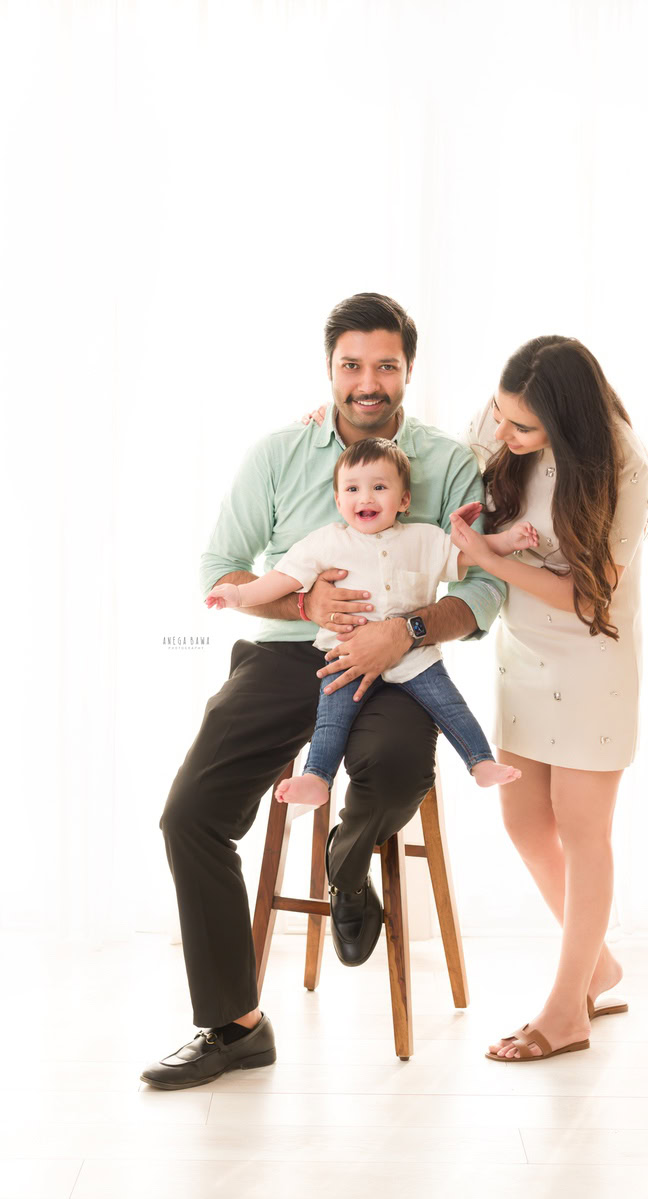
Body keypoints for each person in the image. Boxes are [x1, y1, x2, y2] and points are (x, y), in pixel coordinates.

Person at [139, 293, 507, 1090]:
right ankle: (234, 1025)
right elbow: (221, 572)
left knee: (396, 769)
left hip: (400, 667)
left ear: (410, 369)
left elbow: (482, 592)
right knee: (190, 814)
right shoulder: (278, 453)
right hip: (285, 656)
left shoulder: (445, 464)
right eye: (352, 365)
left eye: (385, 365)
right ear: (330, 369)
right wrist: (303, 604)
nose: (367, 382)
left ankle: (345, 865)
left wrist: (404, 632)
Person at [452, 335, 648, 1062]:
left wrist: (483, 556)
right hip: (523, 653)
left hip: (591, 656)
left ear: (567, 425)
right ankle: (596, 965)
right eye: (501, 418)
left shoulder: (623, 467)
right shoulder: (508, 416)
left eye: (521, 429)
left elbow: (589, 592)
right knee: (522, 819)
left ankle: (568, 1007)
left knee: (581, 828)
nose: (500, 436)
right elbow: (449, 453)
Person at [206, 436, 535, 802]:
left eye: (379, 487)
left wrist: (509, 540)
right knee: (333, 714)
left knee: (450, 704)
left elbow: (474, 554)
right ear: (338, 500)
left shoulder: (425, 539)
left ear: (404, 500)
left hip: (413, 656)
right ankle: (317, 778)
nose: (365, 498)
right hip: (347, 655)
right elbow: (278, 581)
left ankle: (480, 763)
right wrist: (238, 595)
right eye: (352, 489)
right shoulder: (324, 543)